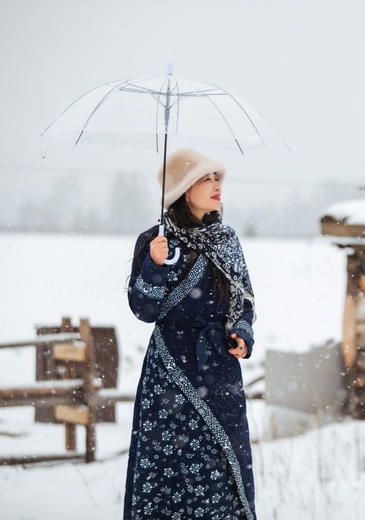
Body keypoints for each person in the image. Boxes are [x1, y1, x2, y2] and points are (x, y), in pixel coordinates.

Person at [123, 147, 257, 520]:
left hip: (220, 374)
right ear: (182, 189)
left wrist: (243, 334)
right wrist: (154, 265)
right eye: (206, 178)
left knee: (221, 476)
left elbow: (244, 301)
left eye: (218, 178)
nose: (217, 186)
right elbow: (143, 310)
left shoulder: (227, 240)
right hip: (171, 377)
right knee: (169, 476)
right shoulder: (157, 241)